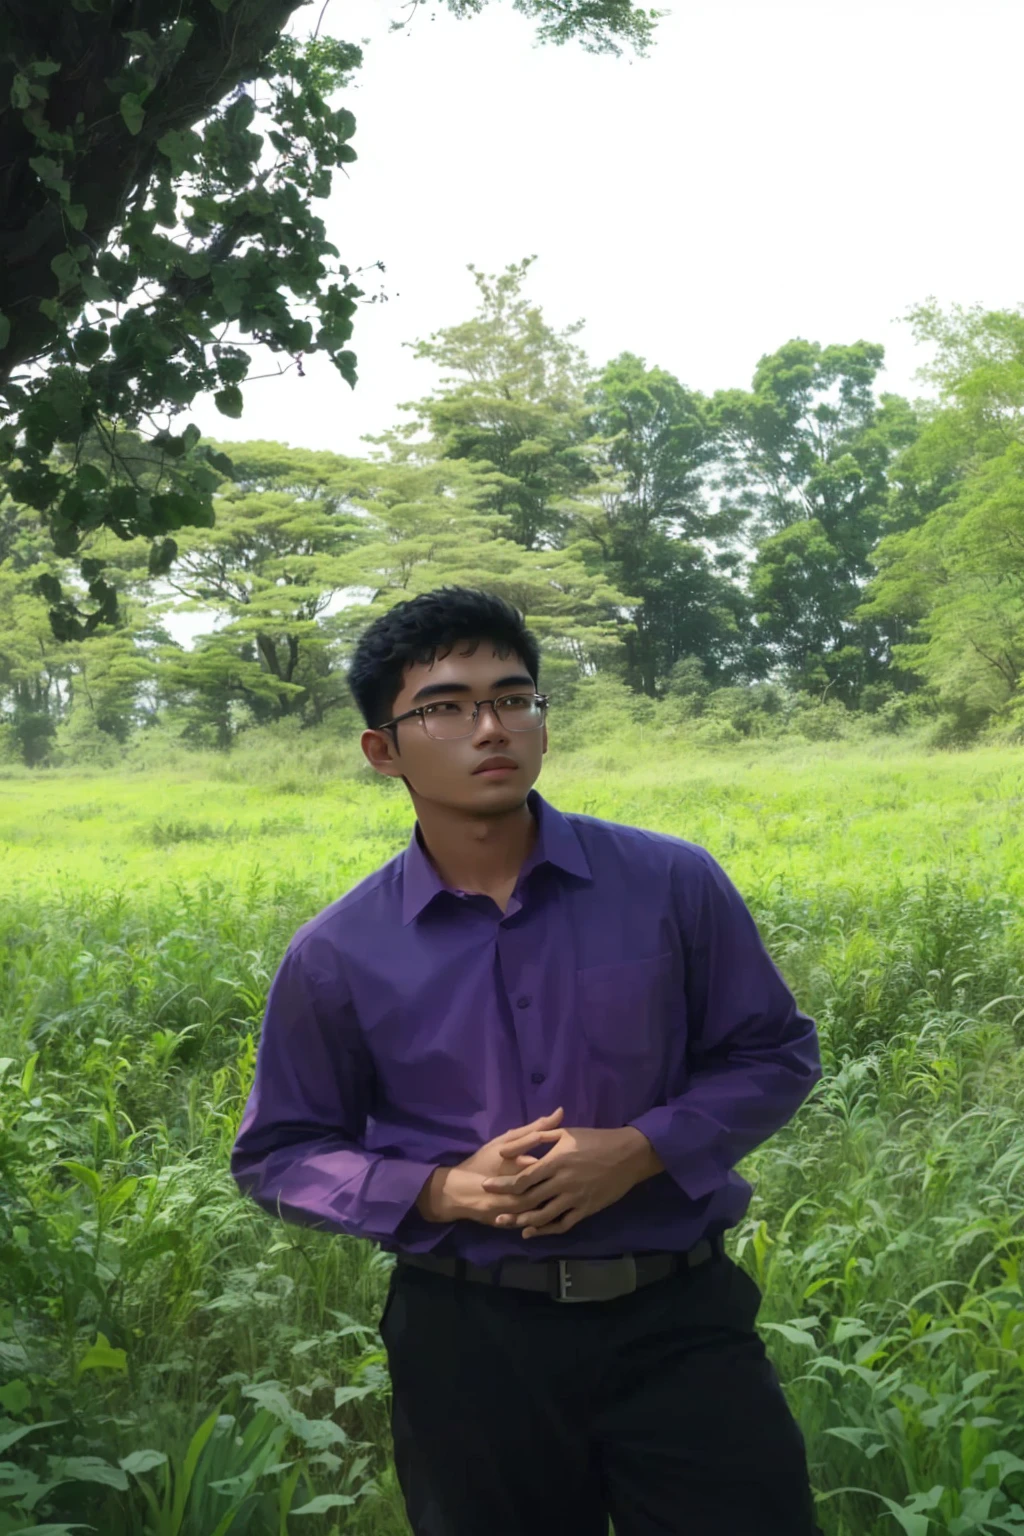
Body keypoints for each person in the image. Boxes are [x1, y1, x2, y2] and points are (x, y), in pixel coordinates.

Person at [231, 585, 825, 1536]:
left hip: (678, 1317)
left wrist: (640, 1148)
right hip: (470, 1340)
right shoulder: (338, 953)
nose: (490, 727)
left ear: (543, 724)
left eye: (515, 699)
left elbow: (773, 1049)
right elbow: (280, 1152)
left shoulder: (671, 883)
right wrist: (440, 1192)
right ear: (384, 751)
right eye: (446, 707)